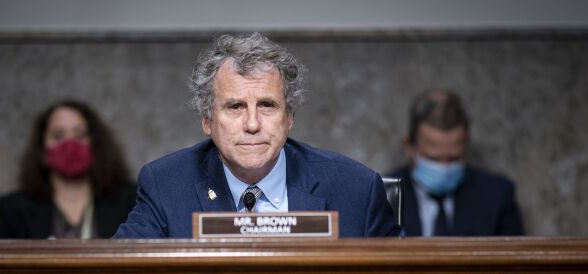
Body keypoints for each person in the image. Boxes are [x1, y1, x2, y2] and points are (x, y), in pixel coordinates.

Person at [114, 33, 397, 238]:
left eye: (267, 105)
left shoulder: (356, 189)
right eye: (235, 106)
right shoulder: (166, 186)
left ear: (289, 118)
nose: (252, 124)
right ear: (207, 121)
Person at [0, 99, 136, 239]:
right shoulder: (14, 209)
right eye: (58, 136)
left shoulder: (130, 202)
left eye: (80, 135)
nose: (70, 144)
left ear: (95, 145)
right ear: (42, 150)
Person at [386, 89, 523, 237]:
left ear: (466, 145)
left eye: (453, 158)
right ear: (409, 147)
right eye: (433, 159)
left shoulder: (497, 196)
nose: (444, 167)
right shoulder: (384, 196)